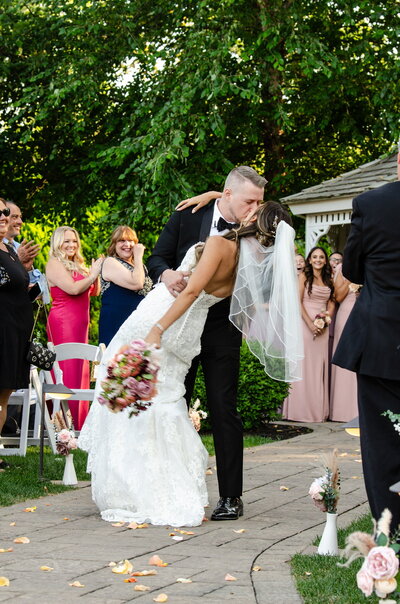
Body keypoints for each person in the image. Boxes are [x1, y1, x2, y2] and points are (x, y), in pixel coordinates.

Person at [78, 202, 302, 527]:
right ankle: (155, 484)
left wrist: (157, 329)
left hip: (167, 321)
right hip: (185, 330)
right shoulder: (242, 251)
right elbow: (164, 262)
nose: (251, 206)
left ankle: (159, 488)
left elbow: (193, 289)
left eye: (256, 205)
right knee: (160, 401)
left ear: (254, 217)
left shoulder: (223, 243)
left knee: (136, 393)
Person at [147, 166, 266, 521]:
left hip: (221, 327)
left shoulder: (256, 229)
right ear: (227, 195)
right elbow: (157, 258)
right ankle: (169, 487)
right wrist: (165, 274)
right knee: (171, 403)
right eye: (249, 200)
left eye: (259, 201)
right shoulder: (188, 216)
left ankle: (231, 497)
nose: (255, 208)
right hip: (180, 325)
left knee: (223, 408)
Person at [332, 174, 400, 534]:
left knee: (383, 439)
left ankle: (388, 529)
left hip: (381, 338)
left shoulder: (371, 204)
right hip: (380, 338)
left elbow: (353, 267)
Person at [45, 226, 103, 430]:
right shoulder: (54, 263)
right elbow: (73, 288)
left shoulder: (77, 264)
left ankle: (80, 425)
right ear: (58, 243)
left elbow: (94, 291)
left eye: (74, 241)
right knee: (66, 369)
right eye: (66, 241)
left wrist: (94, 273)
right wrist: (94, 272)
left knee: (80, 370)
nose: (71, 245)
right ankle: (62, 425)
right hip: (63, 322)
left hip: (80, 324)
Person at [0, 198, 34, 470]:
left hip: (13, 329)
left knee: (3, 395)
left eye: (4, 212)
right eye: (2, 213)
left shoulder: (10, 250)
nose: (5, 217)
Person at [283, 247, 335, 422]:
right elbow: (297, 302)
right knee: (303, 365)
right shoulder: (304, 276)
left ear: (325, 261)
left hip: (322, 327)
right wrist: (310, 324)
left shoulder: (329, 279)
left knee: (318, 367)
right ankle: (300, 411)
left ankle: (316, 410)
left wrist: (327, 317)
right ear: (310, 260)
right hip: (305, 324)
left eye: (321, 257)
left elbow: (332, 302)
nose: (318, 260)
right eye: (315, 257)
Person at [99, 226, 152, 346]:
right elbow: (137, 283)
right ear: (114, 244)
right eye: (122, 241)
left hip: (137, 324)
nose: (127, 244)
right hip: (116, 324)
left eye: (130, 240)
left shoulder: (139, 266)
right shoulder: (110, 262)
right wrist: (138, 257)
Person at [329, 261, 359, 421]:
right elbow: (338, 296)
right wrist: (351, 278)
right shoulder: (343, 268)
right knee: (345, 361)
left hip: (364, 313)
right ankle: (342, 410)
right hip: (346, 313)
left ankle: (358, 408)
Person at [4, 201, 41, 276]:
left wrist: (28, 270)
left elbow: (33, 281)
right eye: (14, 217)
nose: (20, 222)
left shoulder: (20, 248)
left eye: (20, 217)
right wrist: (18, 261)